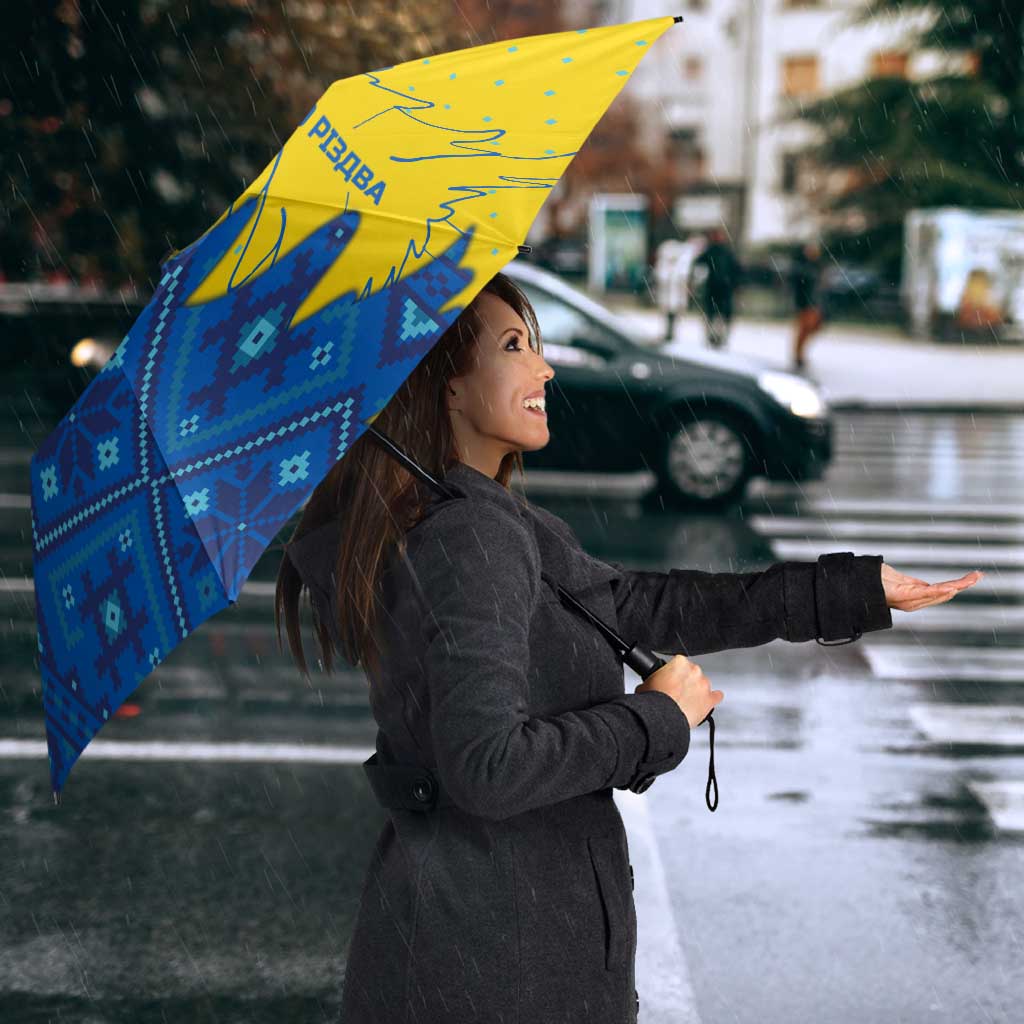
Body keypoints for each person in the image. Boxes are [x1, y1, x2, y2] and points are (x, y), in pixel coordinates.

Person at [276, 271, 982, 1024]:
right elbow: (487, 767)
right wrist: (655, 719)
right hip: (496, 962)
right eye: (514, 346)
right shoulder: (469, 536)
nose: (544, 367)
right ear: (446, 386)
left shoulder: (479, 519)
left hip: (478, 943)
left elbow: (642, 605)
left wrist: (849, 590)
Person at [692, 226, 742, 349]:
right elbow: (698, 264)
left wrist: (735, 284)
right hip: (715, 288)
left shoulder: (725, 252)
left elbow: (736, 270)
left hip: (723, 288)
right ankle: (713, 337)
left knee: (720, 315)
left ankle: (719, 337)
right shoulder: (712, 251)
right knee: (713, 314)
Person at [790, 239, 826, 370]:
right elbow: (799, 286)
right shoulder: (802, 267)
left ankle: (799, 354)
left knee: (812, 328)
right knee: (804, 329)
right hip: (805, 303)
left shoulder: (817, 266)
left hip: (814, 303)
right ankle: (798, 355)